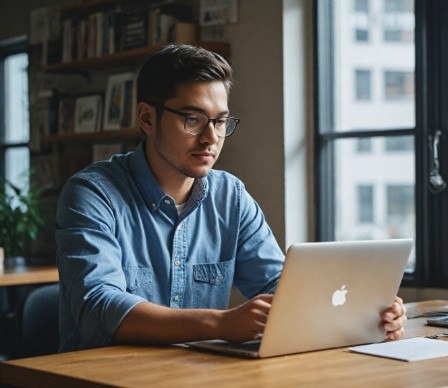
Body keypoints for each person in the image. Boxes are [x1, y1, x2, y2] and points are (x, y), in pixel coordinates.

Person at [55, 44, 407, 352]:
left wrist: (369, 314)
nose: (211, 138)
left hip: (200, 374)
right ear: (148, 117)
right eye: (193, 119)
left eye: (220, 121)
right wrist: (220, 324)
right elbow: (99, 308)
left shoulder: (230, 196)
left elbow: (281, 290)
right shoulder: (92, 194)